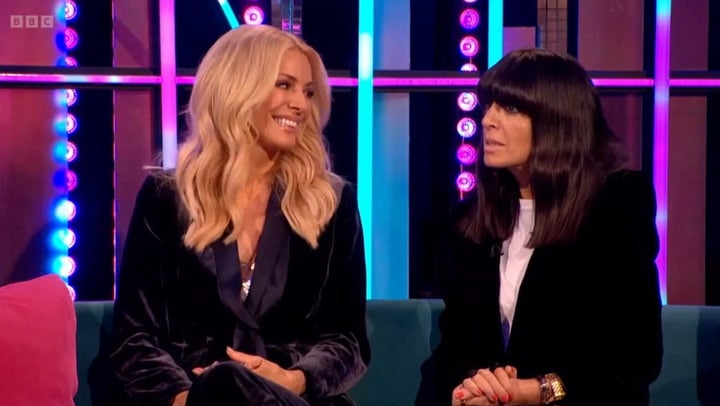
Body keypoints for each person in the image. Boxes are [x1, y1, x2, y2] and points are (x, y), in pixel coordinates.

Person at [109, 25, 370, 406]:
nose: (300, 104)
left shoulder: (331, 201)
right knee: (225, 383)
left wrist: (292, 379)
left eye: (308, 92)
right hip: (192, 399)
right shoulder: (167, 198)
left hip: (296, 400)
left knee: (231, 381)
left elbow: (348, 340)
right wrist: (188, 399)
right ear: (237, 87)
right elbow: (135, 336)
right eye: (284, 85)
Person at [429, 48, 663, 405]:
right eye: (489, 105)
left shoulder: (615, 205)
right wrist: (468, 389)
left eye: (510, 108)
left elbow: (634, 357)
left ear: (557, 121)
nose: (488, 120)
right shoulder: (471, 221)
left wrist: (536, 390)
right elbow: (454, 349)